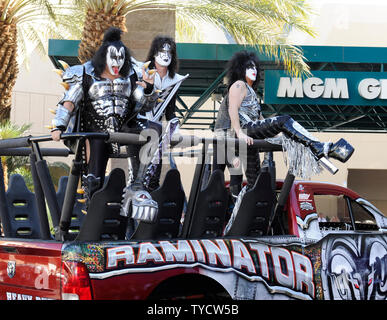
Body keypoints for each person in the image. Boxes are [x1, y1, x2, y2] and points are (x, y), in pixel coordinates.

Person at [217, 50, 354, 234]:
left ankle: (242, 227)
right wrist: (239, 132)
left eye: (255, 67)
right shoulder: (239, 85)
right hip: (239, 133)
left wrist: (283, 139)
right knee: (284, 120)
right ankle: (319, 146)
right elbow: (232, 109)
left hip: (250, 137)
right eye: (249, 67)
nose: (254, 70)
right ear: (240, 68)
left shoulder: (253, 94)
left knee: (255, 184)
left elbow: (262, 120)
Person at [51, 27, 159, 222]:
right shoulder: (83, 73)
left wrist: (149, 89)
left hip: (123, 127)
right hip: (95, 132)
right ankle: (93, 211)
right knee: (95, 171)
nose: (117, 62)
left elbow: (142, 105)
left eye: (120, 57)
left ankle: (137, 185)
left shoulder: (131, 76)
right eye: (113, 57)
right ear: (103, 56)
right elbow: (69, 101)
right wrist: (58, 126)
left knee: (152, 132)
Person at [124, 35, 188, 192]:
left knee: (152, 178)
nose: (165, 55)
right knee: (135, 178)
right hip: (135, 127)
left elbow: (170, 111)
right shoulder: (141, 72)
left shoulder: (174, 80)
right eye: (161, 51)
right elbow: (135, 103)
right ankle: (131, 214)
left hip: (156, 132)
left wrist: (175, 126)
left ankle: (149, 213)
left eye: (169, 51)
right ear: (154, 53)